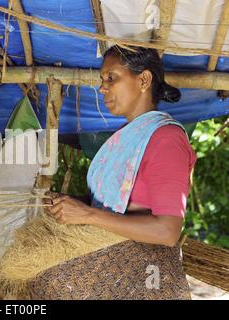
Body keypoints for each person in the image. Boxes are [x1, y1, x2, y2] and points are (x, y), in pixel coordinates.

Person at [35, 45, 197, 299]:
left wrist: (87, 214)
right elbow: (115, 206)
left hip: (147, 283)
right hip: (119, 276)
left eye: (111, 78)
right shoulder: (125, 140)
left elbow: (167, 232)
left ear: (143, 80)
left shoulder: (166, 139)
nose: (102, 87)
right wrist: (72, 206)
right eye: (102, 80)